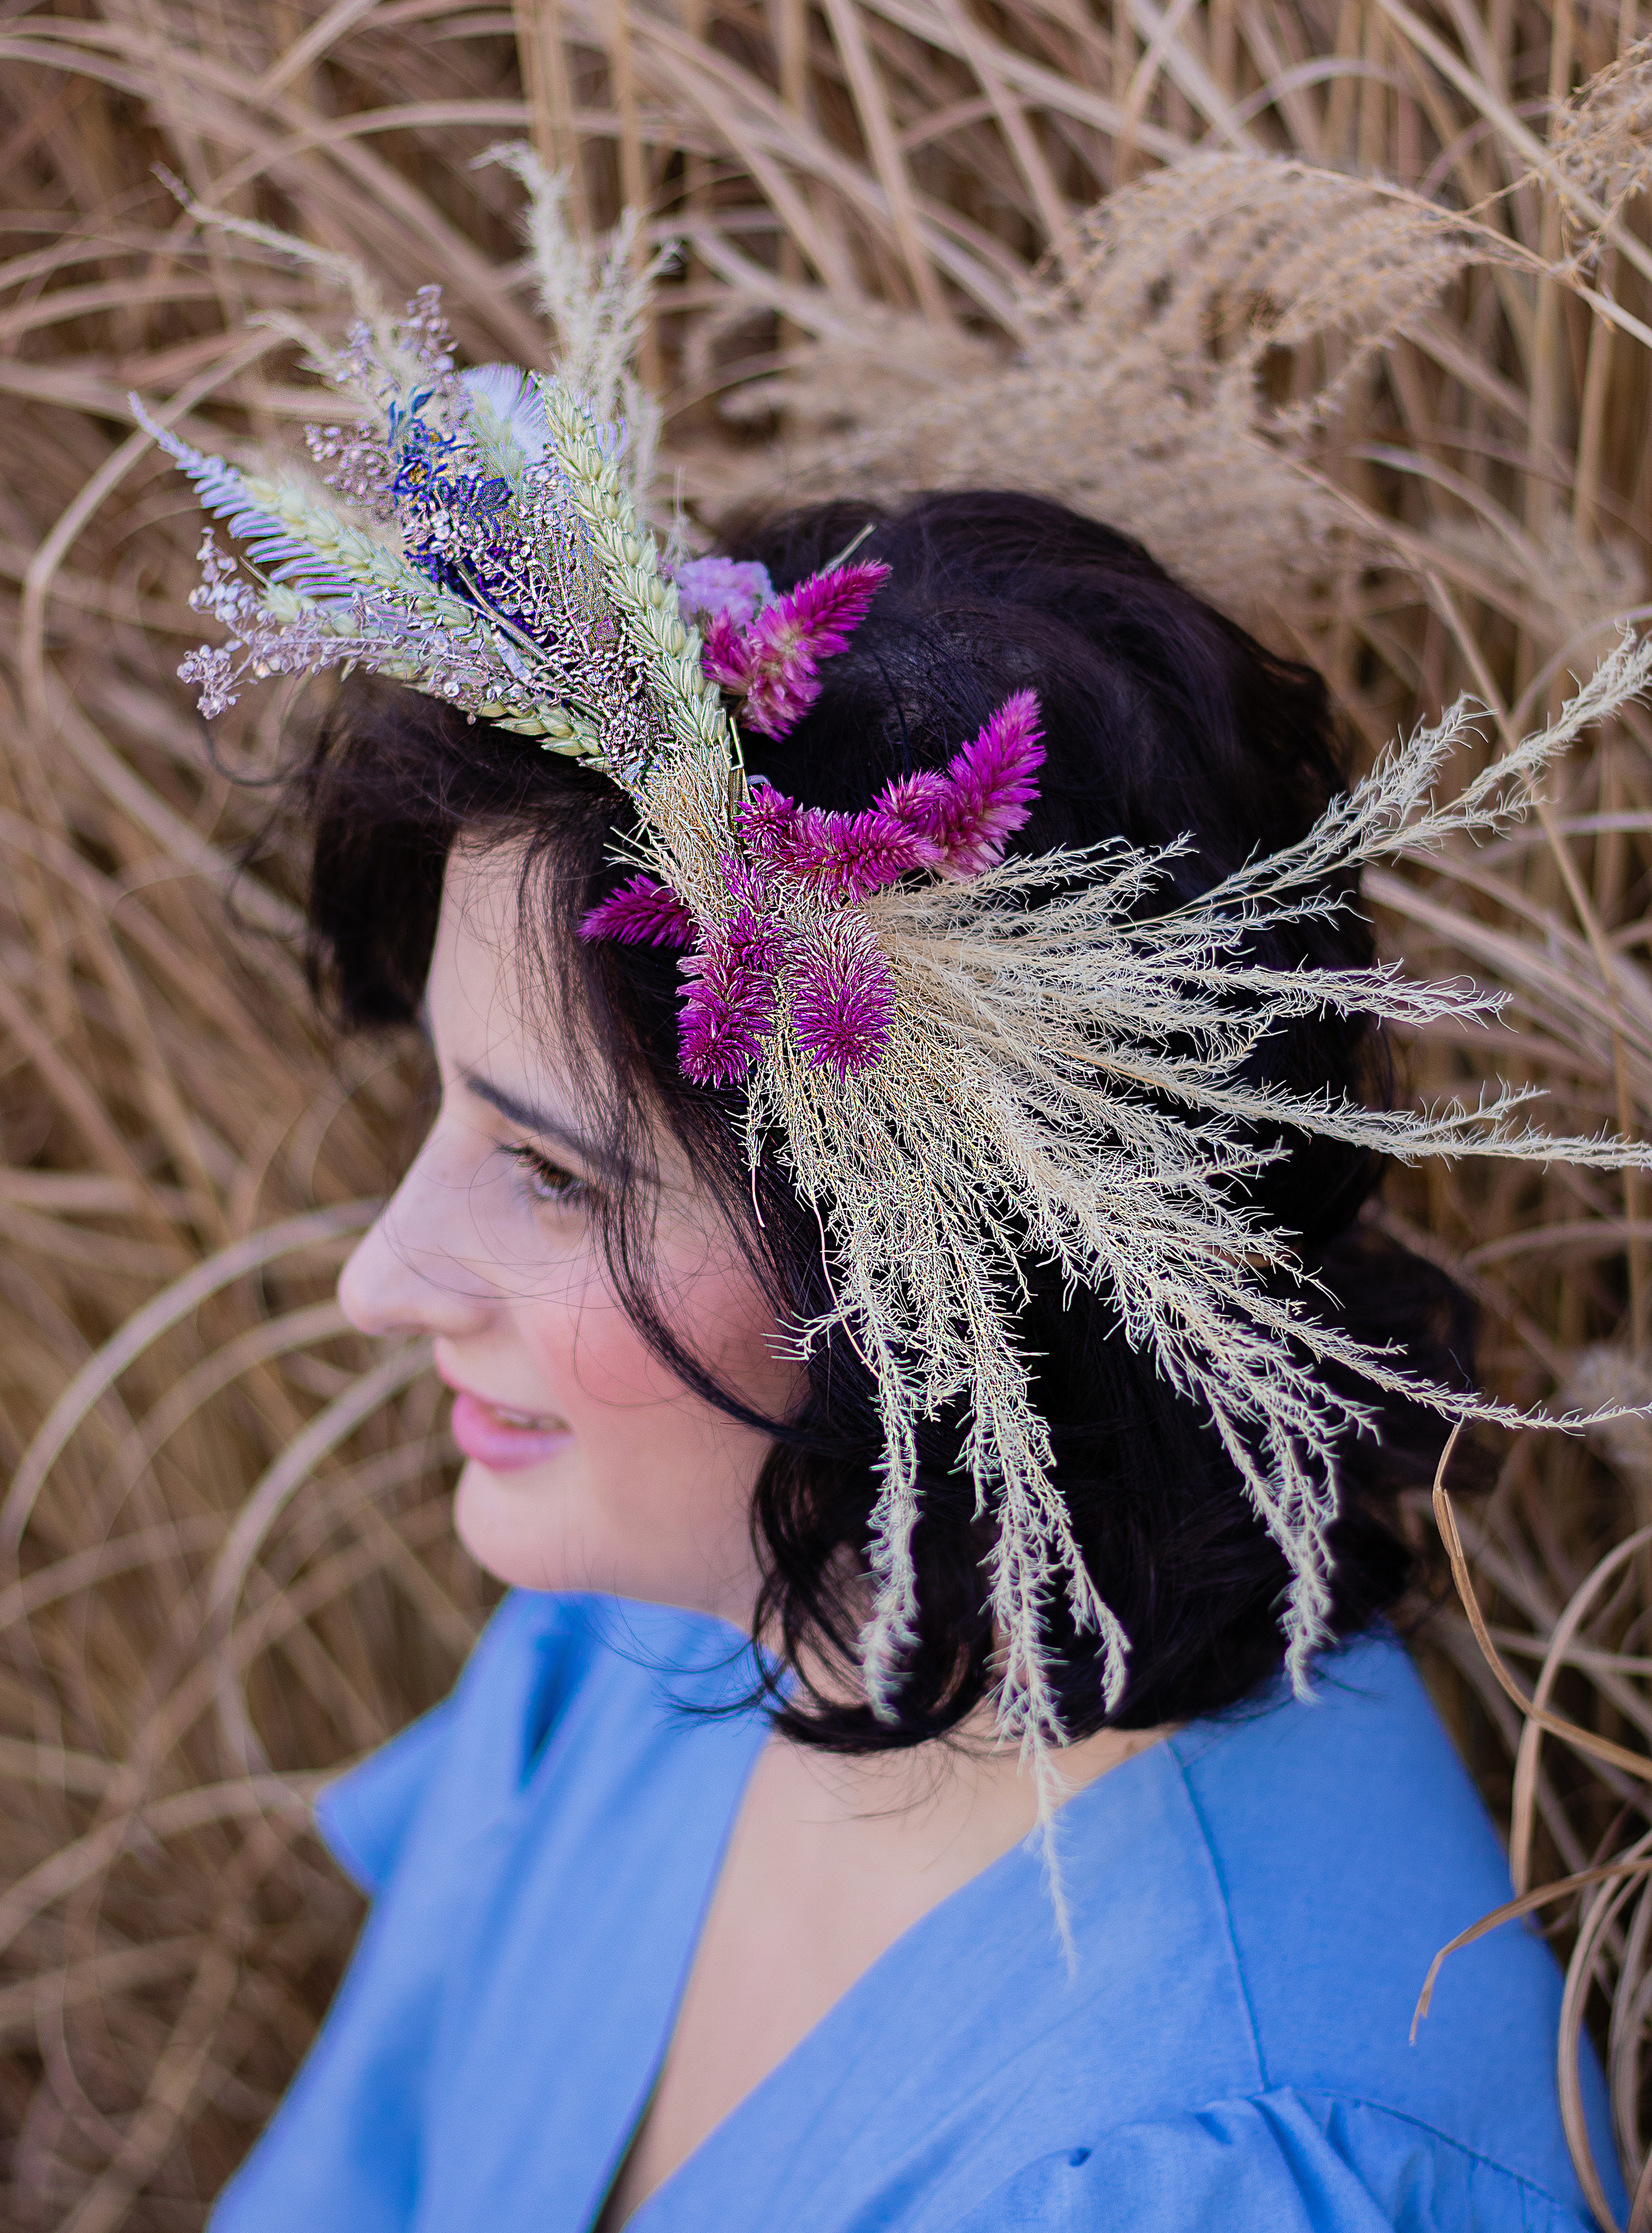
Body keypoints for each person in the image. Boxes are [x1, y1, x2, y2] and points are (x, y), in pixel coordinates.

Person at [197, 483, 1621, 2230]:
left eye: (555, 1176)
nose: (377, 1279)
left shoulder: (1215, 2170)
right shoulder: (672, 1605)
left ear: (938, 1266)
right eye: (445, 1107)